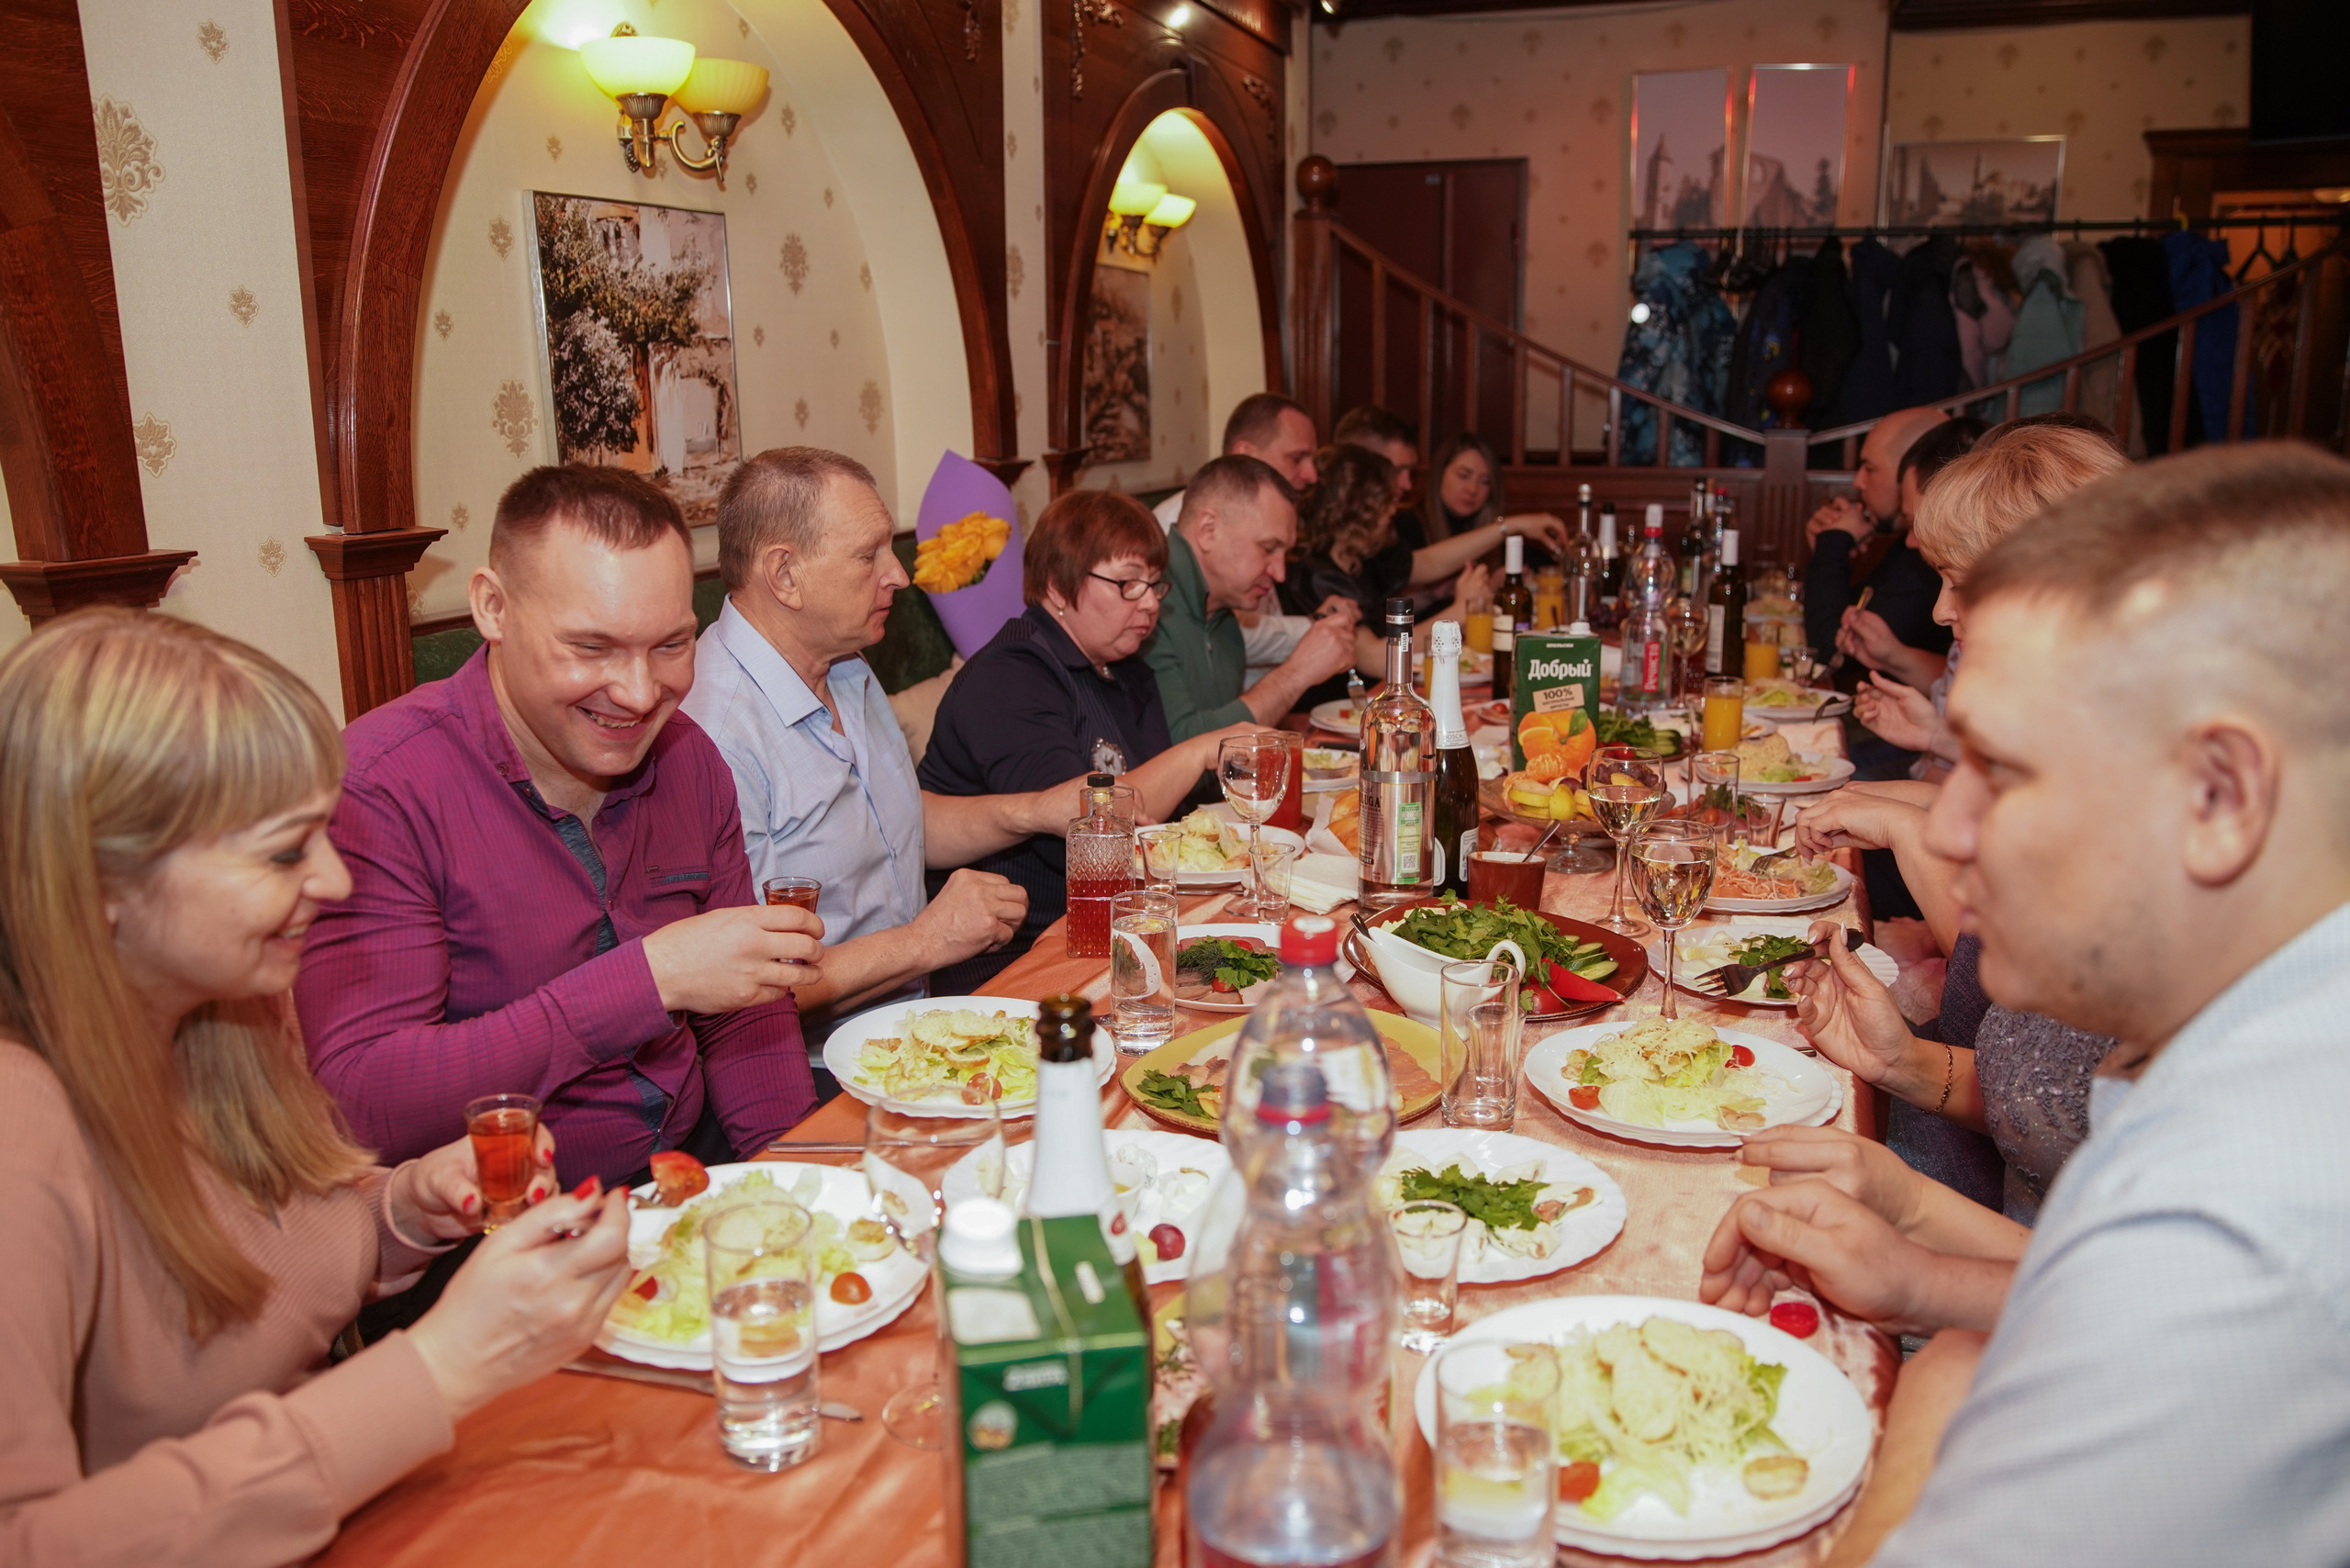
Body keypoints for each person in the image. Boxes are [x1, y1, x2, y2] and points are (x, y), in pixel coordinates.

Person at [1708, 442, 2350, 1565]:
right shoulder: (2243, 1041)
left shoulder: (2238, 1219)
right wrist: (1914, 1236)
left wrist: (1946, 1387)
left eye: (2001, 771)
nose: (1948, 832)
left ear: (2219, 795)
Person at [0, 610, 634, 1562]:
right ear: (102, 882)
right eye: (284, 852)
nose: (334, 881)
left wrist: (405, 1208)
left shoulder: (227, 1012)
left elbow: (250, 1269)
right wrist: (441, 1365)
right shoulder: (19, 1124)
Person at [299, 465, 820, 1197]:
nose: (640, 694)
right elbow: (362, 1105)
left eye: (671, 645)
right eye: (592, 648)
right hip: (498, 1225)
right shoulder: (380, 787)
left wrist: (803, 1187)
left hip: (691, 1174)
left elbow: (746, 1019)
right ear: (493, 608)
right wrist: (649, 980)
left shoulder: (690, 759)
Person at [1792, 423, 2130, 1220]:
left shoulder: (2144, 840)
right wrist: (1903, 1063)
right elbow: (2036, 1092)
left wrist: (1908, 1227)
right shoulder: (2064, 752)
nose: (1941, 609)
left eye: (1957, 580)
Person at [680, 446, 1090, 1051]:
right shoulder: (711, 738)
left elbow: (893, 823)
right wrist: (929, 940)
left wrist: (1033, 811)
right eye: (868, 554)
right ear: (785, 575)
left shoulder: (844, 661)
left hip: (917, 1023)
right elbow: (752, 986)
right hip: (814, 1065)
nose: (898, 574)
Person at [920, 491, 1259, 987]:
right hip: (1010, 956)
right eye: (1128, 583)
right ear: (1058, 587)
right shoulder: (1011, 675)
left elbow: (1150, 817)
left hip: (1108, 928)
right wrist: (1201, 750)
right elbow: (1096, 839)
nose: (1150, 602)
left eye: (1154, 584)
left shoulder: (1126, 668)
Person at [1278, 445, 1566, 698]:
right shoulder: (1316, 574)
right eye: (1386, 502)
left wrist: (1511, 526)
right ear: (1359, 510)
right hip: (1333, 712)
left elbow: (1432, 561)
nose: (1393, 511)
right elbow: (1377, 659)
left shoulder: (1362, 558)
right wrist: (1459, 613)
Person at [1146, 454, 1361, 740]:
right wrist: (1297, 673)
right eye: (1268, 548)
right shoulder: (1146, 602)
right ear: (1208, 530)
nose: (1279, 573)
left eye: (1284, 554)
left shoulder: (1225, 616)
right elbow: (1181, 745)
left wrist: (1282, 720)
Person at [1152, 393, 1341, 689]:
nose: (1312, 475)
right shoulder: (1176, 526)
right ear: (1246, 454)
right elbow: (1222, 633)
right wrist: (1313, 628)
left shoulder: (1267, 518)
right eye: (1296, 458)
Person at [1802, 405, 1955, 673]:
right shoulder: (1906, 544)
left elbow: (1830, 653)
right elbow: (1854, 615)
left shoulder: (1931, 557)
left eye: (1870, 468)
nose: (1858, 482)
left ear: (1910, 470)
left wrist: (1833, 543)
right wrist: (1832, 550)